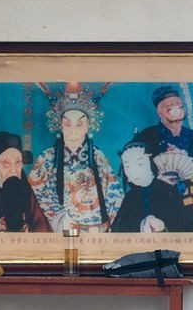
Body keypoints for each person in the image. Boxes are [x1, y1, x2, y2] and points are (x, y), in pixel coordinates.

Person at [28, 84, 123, 231]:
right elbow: (35, 193)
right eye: (67, 124)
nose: (72, 132)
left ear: (87, 127)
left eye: (79, 125)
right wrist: (59, 218)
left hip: (96, 230)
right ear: (60, 126)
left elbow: (114, 195)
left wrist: (108, 227)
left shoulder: (97, 156)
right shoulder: (47, 157)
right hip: (61, 228)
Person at [111, 140, 193, 233]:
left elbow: (185, 224)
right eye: (128, 166)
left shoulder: (168, 190)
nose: (134, 171)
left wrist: (162, 228)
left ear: (151, 163)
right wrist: (143, 225)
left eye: (140, 164)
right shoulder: (131, 197)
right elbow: (118, 229)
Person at [132, 84, 193, 167]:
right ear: (159, 112)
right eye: (169, 108)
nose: (176, 110)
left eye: (179, 105)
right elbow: (136, 166)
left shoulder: (192, 136)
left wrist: (185, 154)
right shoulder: (147, 135)